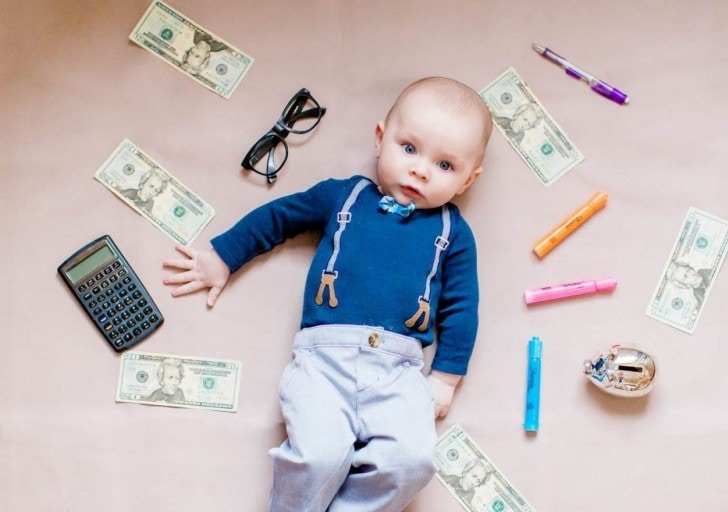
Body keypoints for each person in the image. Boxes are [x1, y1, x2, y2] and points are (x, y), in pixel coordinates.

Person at [163, 76, 492, 511]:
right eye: (409, 149)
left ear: (469, 180)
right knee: (317, 456)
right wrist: (223, 256)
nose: (420, 170)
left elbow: (463, 307)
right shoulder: (345, 195)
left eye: (445, 166)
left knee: (412, 461)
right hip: (324, 362)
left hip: (399, 372)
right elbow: (280, 216)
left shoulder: (454, 232)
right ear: (380, 139)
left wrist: (446, 377)